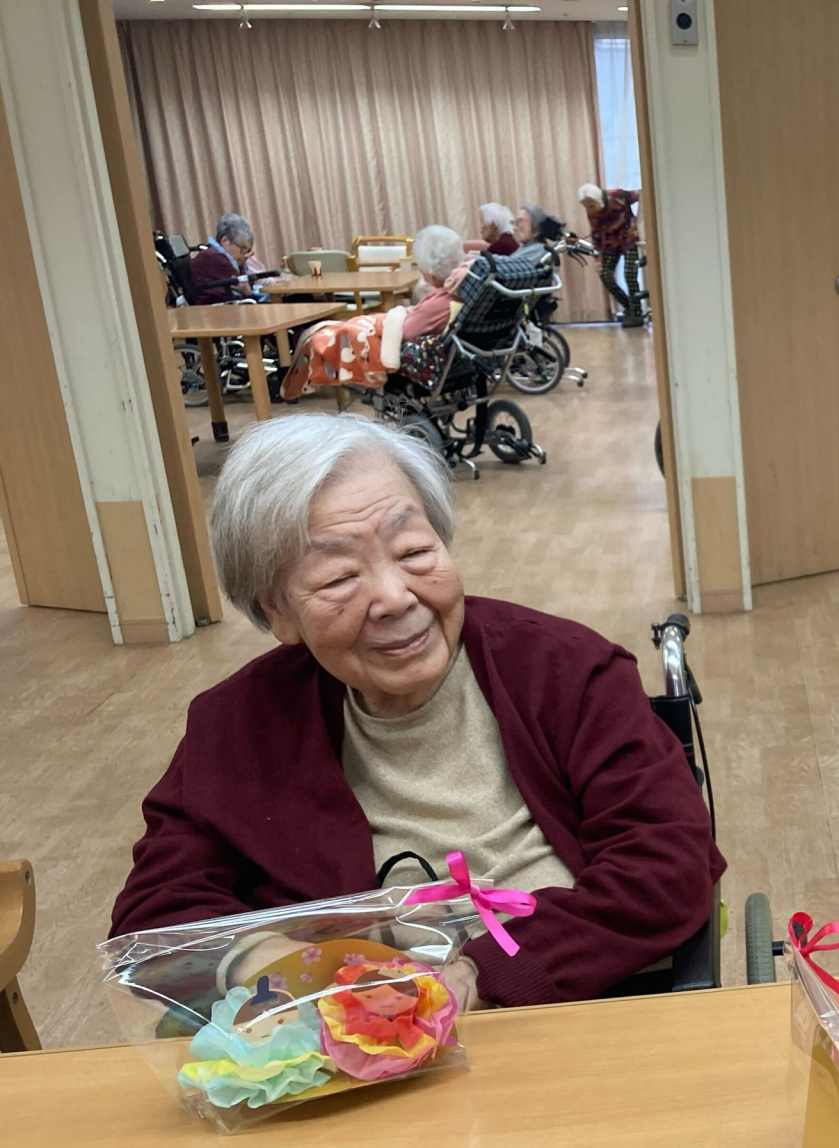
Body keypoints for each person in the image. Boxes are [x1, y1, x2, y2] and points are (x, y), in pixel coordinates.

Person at [112, 412, 725, 1008]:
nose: (394, 597)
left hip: (579, 1010)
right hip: (341, 1047)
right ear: (277, 612)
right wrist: (280, 964)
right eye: (339, 579)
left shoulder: (567, 671)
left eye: (412, 551)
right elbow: (153, 919)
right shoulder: (238, 726)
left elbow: (666, 865)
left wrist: (479, 977)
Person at [279, 227, 473, 401]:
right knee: (334, 329)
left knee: (324, 337)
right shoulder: (466, 289)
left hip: (406, 344)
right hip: (447, 349)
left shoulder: (440, 303)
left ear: (430, 273)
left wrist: (396, 316)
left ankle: (300, 374)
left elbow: (406, 331)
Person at [578, 183, 645, 327]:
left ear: (598, 199)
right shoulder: (592, 212)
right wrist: (597, 259)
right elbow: (596, 234)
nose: (590, 210)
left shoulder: (618, 195)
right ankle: (629, 306)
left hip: (629, 238)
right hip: (610, 244)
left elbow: (641, 195)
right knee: (605, 275)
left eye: (591, 205)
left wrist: (641, 222)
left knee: (630, 275)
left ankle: (637, 314)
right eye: (586, 207)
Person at [188, 213, 266, 305]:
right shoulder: (215, 258)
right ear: (225, 241)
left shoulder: (218, 255)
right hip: (215, 308)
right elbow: (243, 287)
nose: (246, 256)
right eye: (243, 250)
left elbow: (248, 284)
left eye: (248, 251)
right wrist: (248, 292)